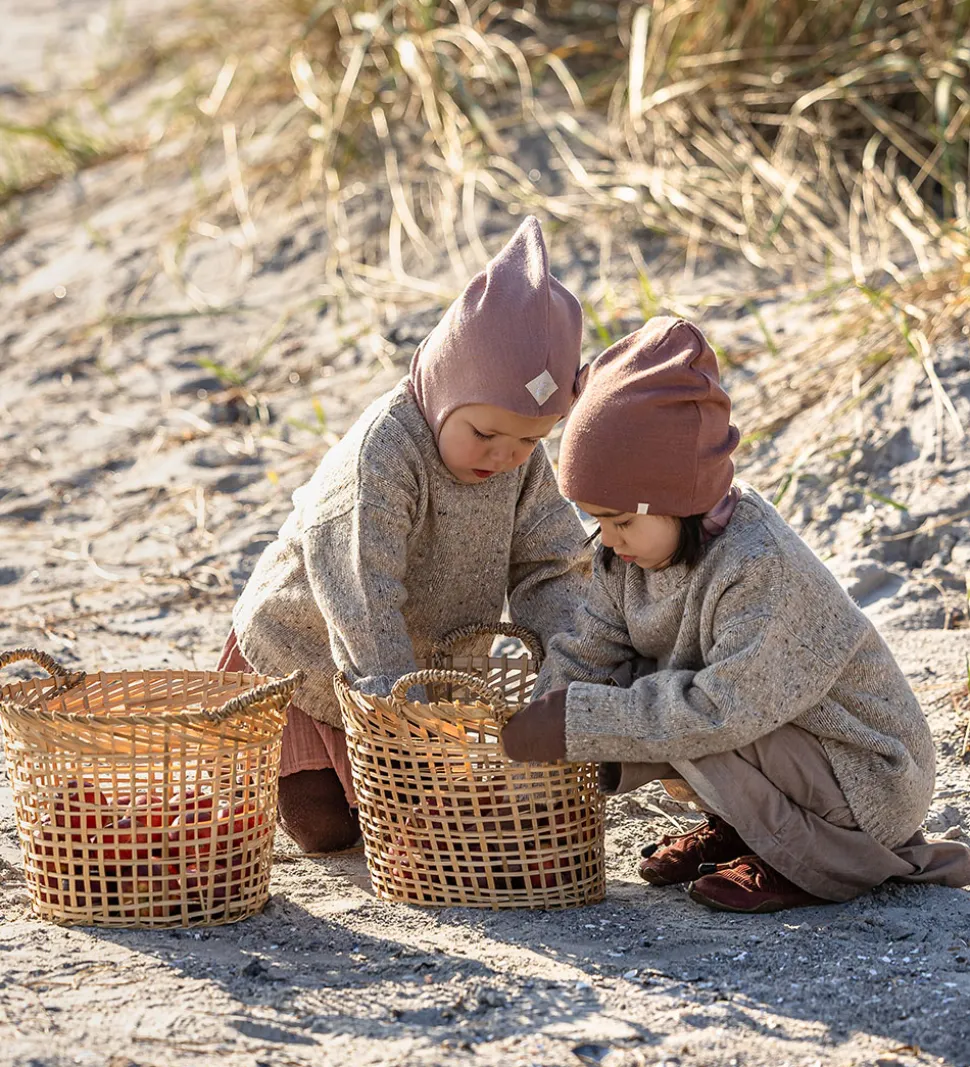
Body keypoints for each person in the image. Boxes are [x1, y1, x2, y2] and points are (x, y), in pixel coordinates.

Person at [501, 316, 970, 913]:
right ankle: (745, 827)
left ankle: (805, 857)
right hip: (775, 747)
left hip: (862, 776)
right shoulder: (626, 556)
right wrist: (539, 729)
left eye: (621, 520)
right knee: (633, 688)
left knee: (671, 706)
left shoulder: (759, 566)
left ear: (680, 499)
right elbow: (590, 651)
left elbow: (723, 713)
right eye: (599, 520)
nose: (610, 538)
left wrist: (579, 720)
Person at [218, 216, 592, 853]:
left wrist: (566, 671)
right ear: (446, 388)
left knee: (445, 822)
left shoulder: (520, 459)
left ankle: (402, 763)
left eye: (530, 439)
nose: (506, 454)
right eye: (484, 434)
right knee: (329, 830)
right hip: (311, 653)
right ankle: (305, 766)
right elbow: (361, 598)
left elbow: (549, 563)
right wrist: (398, 727)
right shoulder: (382, 458)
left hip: (421, 674)